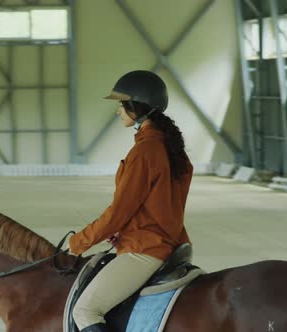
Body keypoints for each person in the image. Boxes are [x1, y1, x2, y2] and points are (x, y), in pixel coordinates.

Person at [69, 70, 193, 332]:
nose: (118, 111)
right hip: (170, 241)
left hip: (146, 249)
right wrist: (124, 231)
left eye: (122, 104)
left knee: (85, 310)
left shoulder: (144, 152)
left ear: (138, 106)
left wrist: (79, 242)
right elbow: (159, 205)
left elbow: (118, 211)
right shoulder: (170, 149)